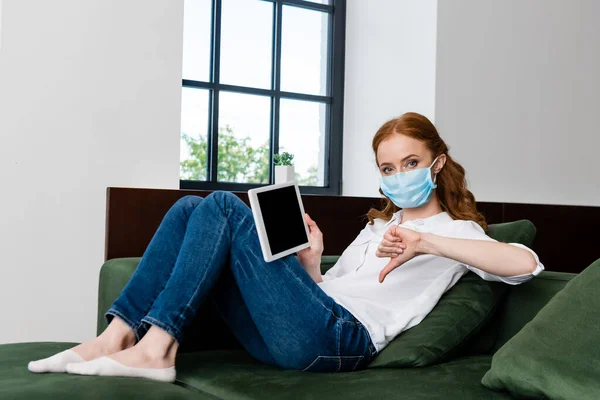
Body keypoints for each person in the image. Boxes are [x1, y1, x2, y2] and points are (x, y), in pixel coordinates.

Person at [27, 112, 543, 382]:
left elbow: (524, 264)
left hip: (343, 344)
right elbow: (336, 295)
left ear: (436, 162)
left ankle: (156, 348)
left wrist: (426, 241)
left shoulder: (457, 231)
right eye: (388, 168)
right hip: (312, 323)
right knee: (190, 207)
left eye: (411, 163)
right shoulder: (374, 227)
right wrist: (313, 267)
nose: (398, 176)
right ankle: (115, 336)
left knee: (227, 207)